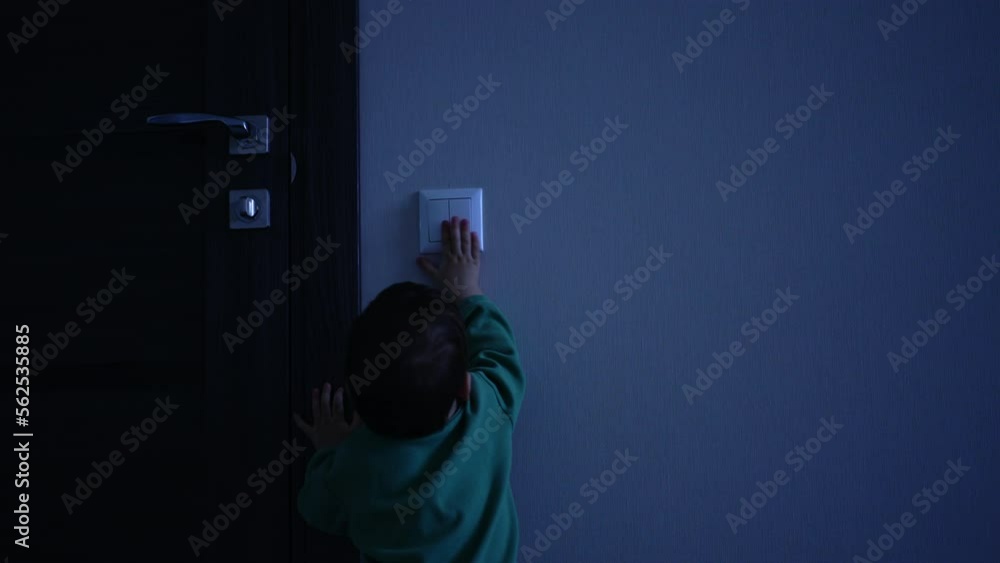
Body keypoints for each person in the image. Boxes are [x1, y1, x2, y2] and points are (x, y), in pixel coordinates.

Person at [294, 216, 525, 562]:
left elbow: (316, 508)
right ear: (465, 387)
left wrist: (329, 449)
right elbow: (499, 353)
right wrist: (466, 292)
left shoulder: (354, 464)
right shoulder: (487, 409)